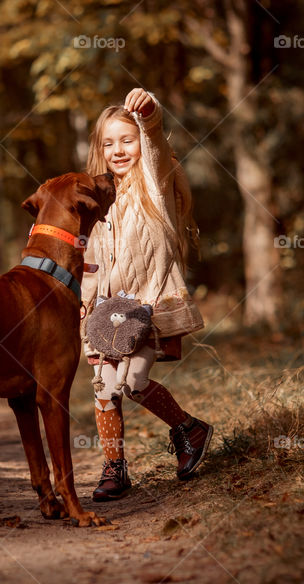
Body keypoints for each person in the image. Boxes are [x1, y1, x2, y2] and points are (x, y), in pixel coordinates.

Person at [79, 87, 213, 501]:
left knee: (134, 381)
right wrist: (83, 304)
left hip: (149, 306)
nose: (118, 150)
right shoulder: (97, 201)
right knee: (105, 387)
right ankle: (114, 469)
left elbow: (154, 143)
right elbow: (91, 263)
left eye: (127, 140)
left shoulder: (156, 184)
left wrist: (149, 115)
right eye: (109, 143)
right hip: (106, 312)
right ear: (99, 150)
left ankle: (188, 429)